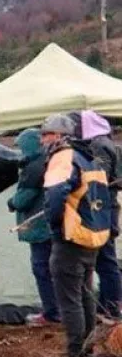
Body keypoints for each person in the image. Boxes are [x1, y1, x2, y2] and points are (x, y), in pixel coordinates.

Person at [42, 113, 113, 357]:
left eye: (46, 134)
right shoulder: (90, 158)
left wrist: (54, 224)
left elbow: (55, 194)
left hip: (71, 237)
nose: (43, 140)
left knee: (70, 298)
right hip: (92, 236)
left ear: (60, 135)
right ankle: (87, 350)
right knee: (84, 294)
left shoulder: (63, 157)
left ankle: (75, 356)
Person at [7, 129, 59, 326]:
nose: (20, 151)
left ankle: (51, 312)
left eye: (21, 147)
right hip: (50, 224)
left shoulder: (34, 167)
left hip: (39, 227)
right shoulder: (48, 161)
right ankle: (59, 309)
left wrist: (12, 202)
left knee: (42, 268)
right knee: (55, 268)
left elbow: (24, 199)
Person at [75, 110, 122, 319]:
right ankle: (108, 304)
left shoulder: (99, 145)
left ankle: (112, 305)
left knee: (105, 259)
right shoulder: (108, 142)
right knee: (105, 258)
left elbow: (98, 178)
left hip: (102, 209)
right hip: (107, 207)